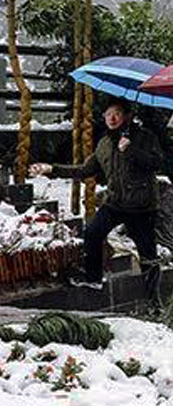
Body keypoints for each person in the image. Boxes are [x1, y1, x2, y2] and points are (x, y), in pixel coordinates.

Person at [30, 98, 163, 291]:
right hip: (115, 203)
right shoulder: (105, 143)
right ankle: (93, 278)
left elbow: (156, 163)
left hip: (142, 206)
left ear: (128, 116)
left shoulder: (145, 137)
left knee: (147, 254)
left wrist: (131, 150)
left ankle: (153, 300)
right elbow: (85, 170)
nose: (112, 118)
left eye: (117, 113)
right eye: (108, 114)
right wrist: (51, 169)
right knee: (92, 232)